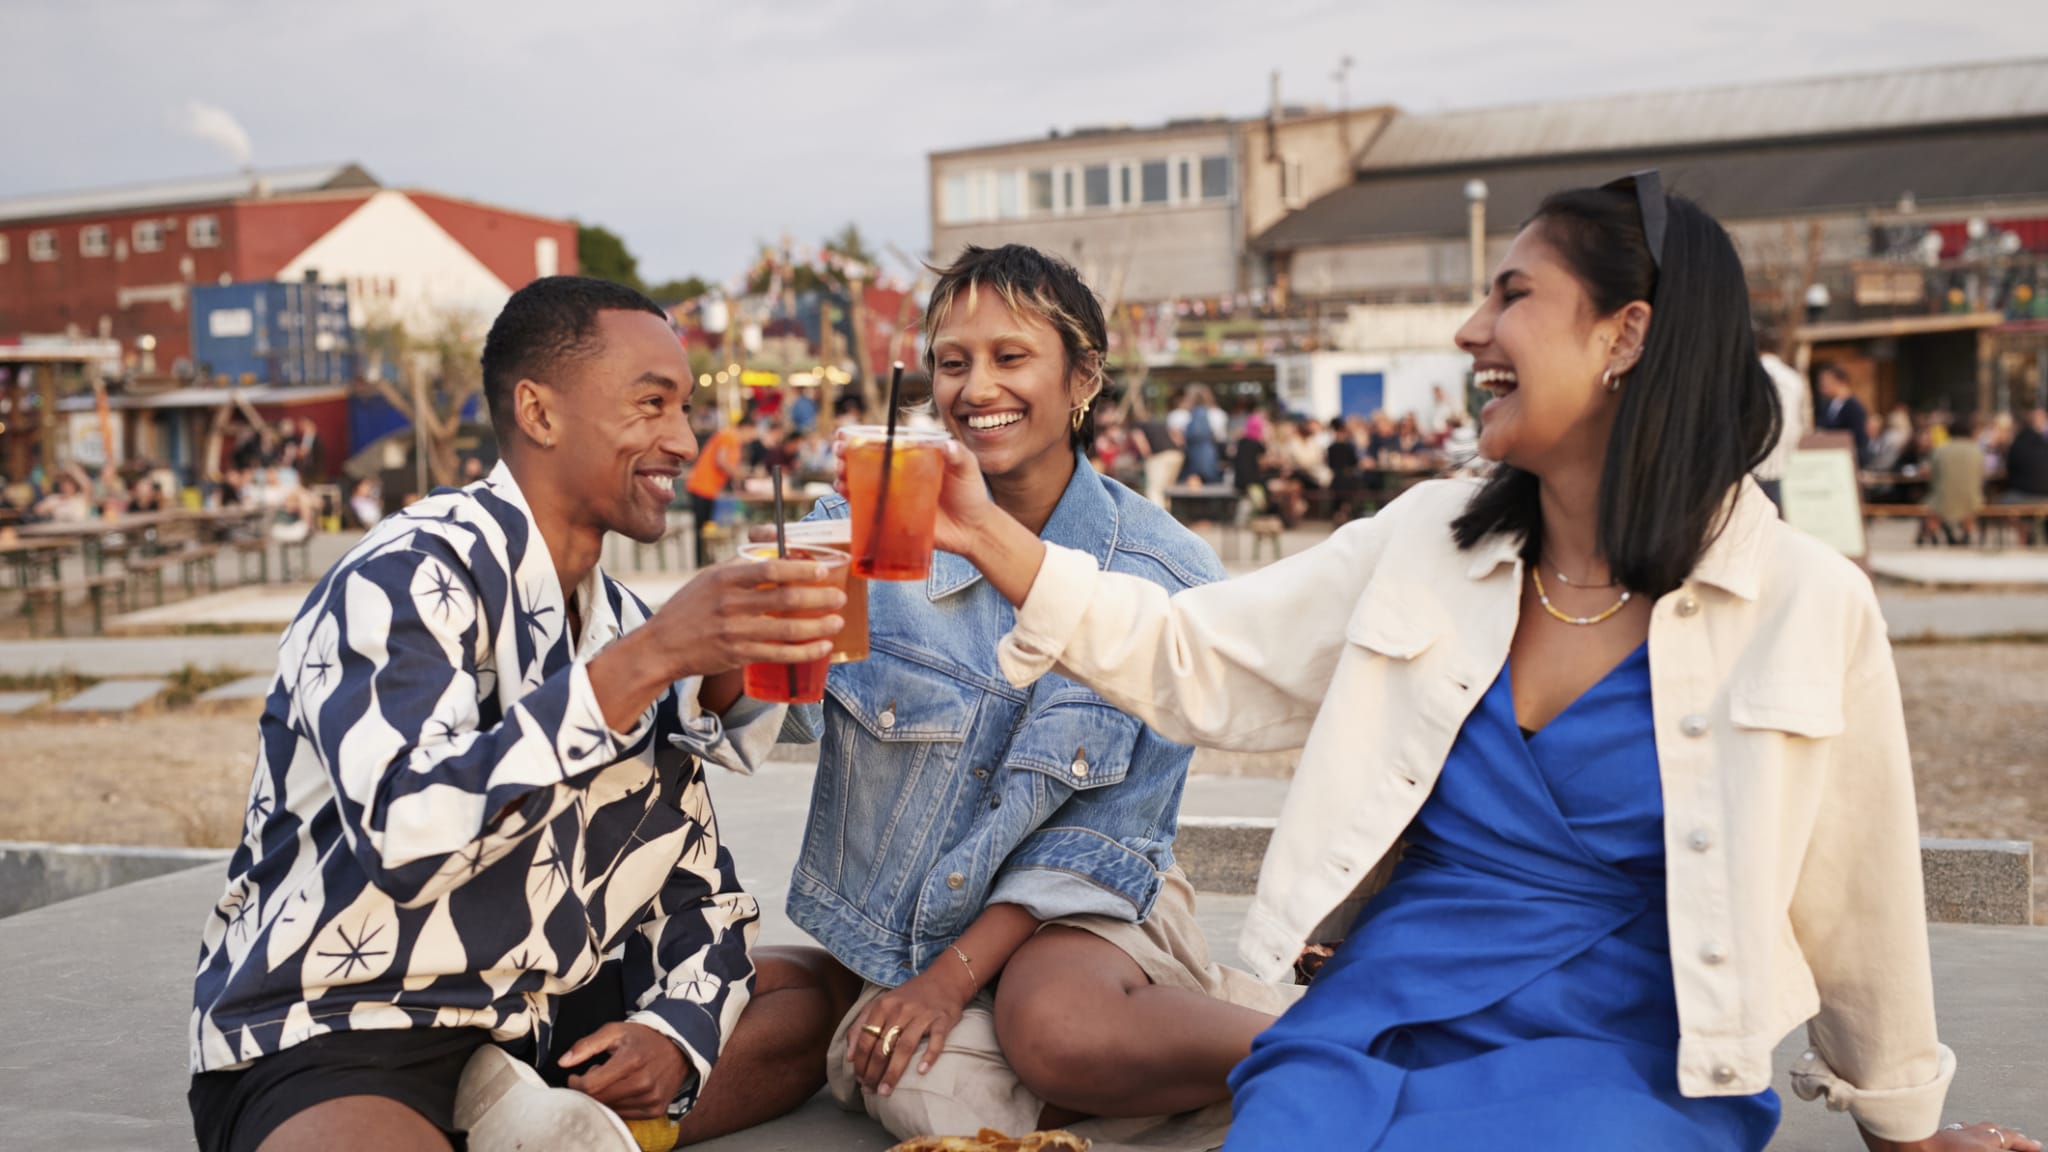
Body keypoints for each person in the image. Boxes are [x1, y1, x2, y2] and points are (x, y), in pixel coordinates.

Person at [916, 179, 2034, 1151]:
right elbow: (1188, 657)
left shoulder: (1802, 599)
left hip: (1630, 1042)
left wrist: (1905, 1122)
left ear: (1624, 335)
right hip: (1379, 1009)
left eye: (1510, 295)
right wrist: (989, 535)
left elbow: (1857, 888)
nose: (1467, 330)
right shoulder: (1426, 538)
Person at [186, 276, 845, 1152]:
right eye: (650, 404)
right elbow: (403, 835)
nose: (684, 441)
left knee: (811, 1000)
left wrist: (675, 1039)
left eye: (685, 408)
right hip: (347, 1021)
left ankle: (551, 1120)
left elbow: (699, 895)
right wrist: (647, 664)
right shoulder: (406, 576)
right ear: (538, 412)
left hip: (528, 1022)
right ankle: (547, 1130)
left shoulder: (619, 624)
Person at [697, 244, 1302, 1147]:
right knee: (915, 1086)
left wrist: (950, 980)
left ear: (1082, 378)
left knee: (1052, 1029)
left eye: (1011, 357)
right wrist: (754, 619)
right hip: (906, 918)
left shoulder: (1165, 572)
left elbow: (1109, 835)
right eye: (952, 361)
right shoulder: (858, 529)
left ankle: (1338, 1049)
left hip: (1090, 897)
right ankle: (1176, 1053)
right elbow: (735, 713)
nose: (977, 386)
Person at [685, 415, 756, 568]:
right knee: (702, 530)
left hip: (709, 488)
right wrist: (739, 474)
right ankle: (701, 563)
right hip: (701, 486)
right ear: (747, 427)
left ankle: (705, 561)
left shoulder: (733, 440)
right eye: (752, 433)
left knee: (707, 527)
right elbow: (721, 460)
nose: (751, 438)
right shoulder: (728, 435)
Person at [1753, 350, 1812, 508]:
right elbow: (1799, 419)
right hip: (1783, 455)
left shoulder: (1757, 373)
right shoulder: (1792, 377)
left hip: (1759, 457)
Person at [1926, 415, 1986, 546]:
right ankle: (1967, 533)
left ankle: (1935, 535)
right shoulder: (1976, 450)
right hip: (1970, 500)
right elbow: (1981, 476)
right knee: (1972, 501)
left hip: (1943, 499)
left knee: (1931, 503)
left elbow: (1933, 476)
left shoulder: (1940, 450)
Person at [1814, 362, 1870, 466]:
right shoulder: (1827, 405)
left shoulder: (1854, 408)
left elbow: (1859, 441)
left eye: (1825, 381)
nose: (1821, 385)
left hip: (1846, 462)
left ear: (1840, 381)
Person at [1171, 385, 1225, 485]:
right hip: (1207, 457)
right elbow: (1220, 436)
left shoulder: (1182, 416)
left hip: (1193, 459)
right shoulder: (1216, 414)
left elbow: (1178, 439)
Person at [1133, 407, 1185, 509]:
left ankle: (1158, 518)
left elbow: (1141, 442)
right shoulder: (1162, 423)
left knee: (1154, 490)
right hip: (1177, 455)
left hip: (1159, 456)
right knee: (1167, 489)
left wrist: (1147, 458)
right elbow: (1178, 438)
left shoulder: (1138, 425)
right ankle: (1169, 515)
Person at [2002, 408, 2048, 502]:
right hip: (2044, 492)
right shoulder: (2042, 442)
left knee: (2002, 501)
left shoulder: (2018, 443)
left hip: (2023, 494)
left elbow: (2009, 469)